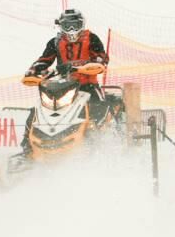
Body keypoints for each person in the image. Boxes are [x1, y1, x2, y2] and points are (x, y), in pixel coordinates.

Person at [19, 8, 109, 155]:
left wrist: (96, 63)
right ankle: (27, 147)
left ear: (82, 24)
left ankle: (98, 139)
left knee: (100, 105)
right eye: (67, 26)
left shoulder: (91, 38)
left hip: (87, 84)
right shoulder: (55, 42)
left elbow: (101, 56)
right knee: (39, 110)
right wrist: (34, 70)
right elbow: (45, 59)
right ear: (61, 26)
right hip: (64, 86)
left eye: (75, 25)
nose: (71, 29)